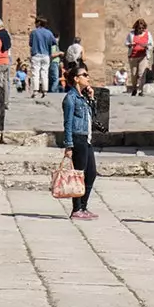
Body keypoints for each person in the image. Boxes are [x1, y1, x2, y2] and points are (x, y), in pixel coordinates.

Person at [61, 64, 100, 220]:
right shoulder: (70, 98)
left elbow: (94, 116)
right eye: (85, 75)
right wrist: (68, 145)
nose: (88, 77)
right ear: (76, 79)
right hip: (77, 138)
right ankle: (76, 209)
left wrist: (91, 98)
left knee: (91, 173)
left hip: (86, 138)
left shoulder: (82, 97)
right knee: (78, 175)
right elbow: (67, 123)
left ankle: (83, 206)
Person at [29, 16, 57, 96]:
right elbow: (54, 42)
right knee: (44, 73)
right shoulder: (49, 33)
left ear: (39, 23)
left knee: (35, 73)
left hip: (36, 54)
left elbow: (30, 44)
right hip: (46, 55)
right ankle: (45, 90)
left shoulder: (34, 32)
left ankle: (35, 90)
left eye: (35, 22)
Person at [126, 18, 153, 96]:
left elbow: (151, 44)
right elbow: (126, 43)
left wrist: (146, 46)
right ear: (136, 27)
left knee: (142, 73)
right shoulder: (131, 34)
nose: (141, 29)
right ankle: (134, 88)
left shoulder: (147, 34)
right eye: (139, 28)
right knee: (134, 74)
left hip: (143, 56)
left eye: (142, 28)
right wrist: (130, 45)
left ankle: (141, 90)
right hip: (133, 56)